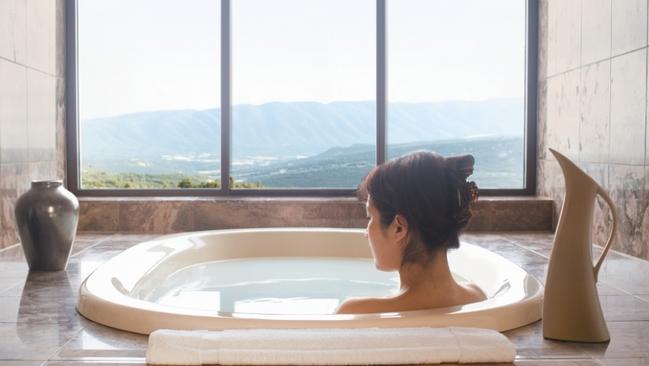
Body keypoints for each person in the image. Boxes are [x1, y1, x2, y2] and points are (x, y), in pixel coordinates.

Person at [336, 151, 486, 314]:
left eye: (370, 217)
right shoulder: (477, 298)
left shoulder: (356, 312)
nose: (366, 232)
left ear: (398, 228)